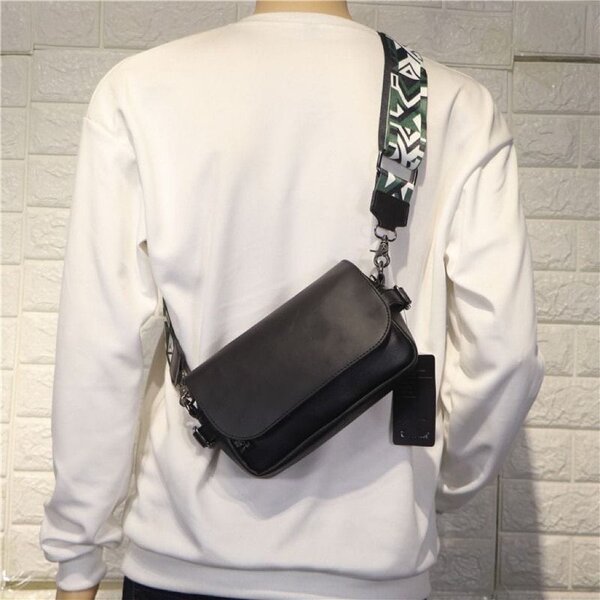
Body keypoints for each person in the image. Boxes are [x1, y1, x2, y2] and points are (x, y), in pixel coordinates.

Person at [39, 1, 545, 599]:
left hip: (182, 555)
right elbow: (504, 355)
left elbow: (99, 345)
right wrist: (437, 486)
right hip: (375, 568)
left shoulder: (141, 89)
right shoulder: (448, 103)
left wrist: (77, 557)